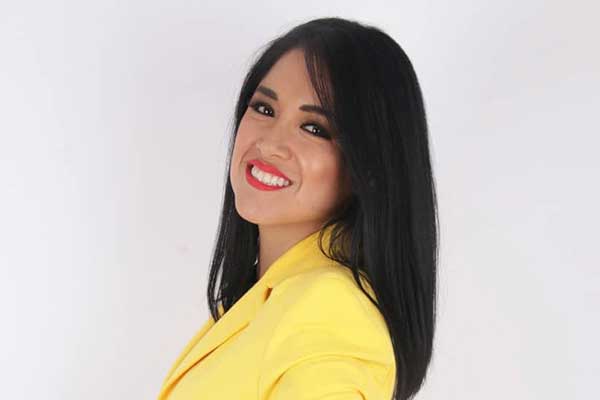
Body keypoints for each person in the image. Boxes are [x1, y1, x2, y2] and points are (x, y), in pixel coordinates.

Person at [157, 16, 438, 400]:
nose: (270, 144)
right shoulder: (266, 301)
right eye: (264, 109)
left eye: (314, 128)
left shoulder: (332, 316)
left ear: (367, 166)